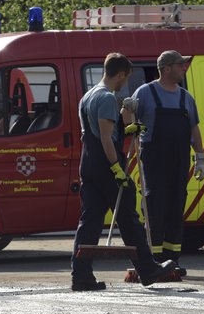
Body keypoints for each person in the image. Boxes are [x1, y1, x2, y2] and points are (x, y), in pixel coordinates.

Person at [71, 53, 177, 291]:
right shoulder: (107, 98)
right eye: (125, 78)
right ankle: (148, 269)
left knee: (88, 222)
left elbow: (95, 132)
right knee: (129, 219)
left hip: (88, 165)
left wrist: (128, 129)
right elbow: (107, 139)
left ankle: (80, 275)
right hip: (107, 166)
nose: (124, 83)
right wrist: (117, 169)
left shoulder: (87, 97)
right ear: (119, 74)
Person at [128, 50, 204, 276]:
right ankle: (152, 259)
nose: (185, 68)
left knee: (175, 206)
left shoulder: (185, 97)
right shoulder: (145, 92)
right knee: (155, 206)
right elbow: (127, 121)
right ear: (167, 68)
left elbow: (194, 128)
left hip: (179, 159)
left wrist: (200, 157)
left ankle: (172, 260)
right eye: (181, 65)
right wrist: (127, 110)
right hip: (155, 158)